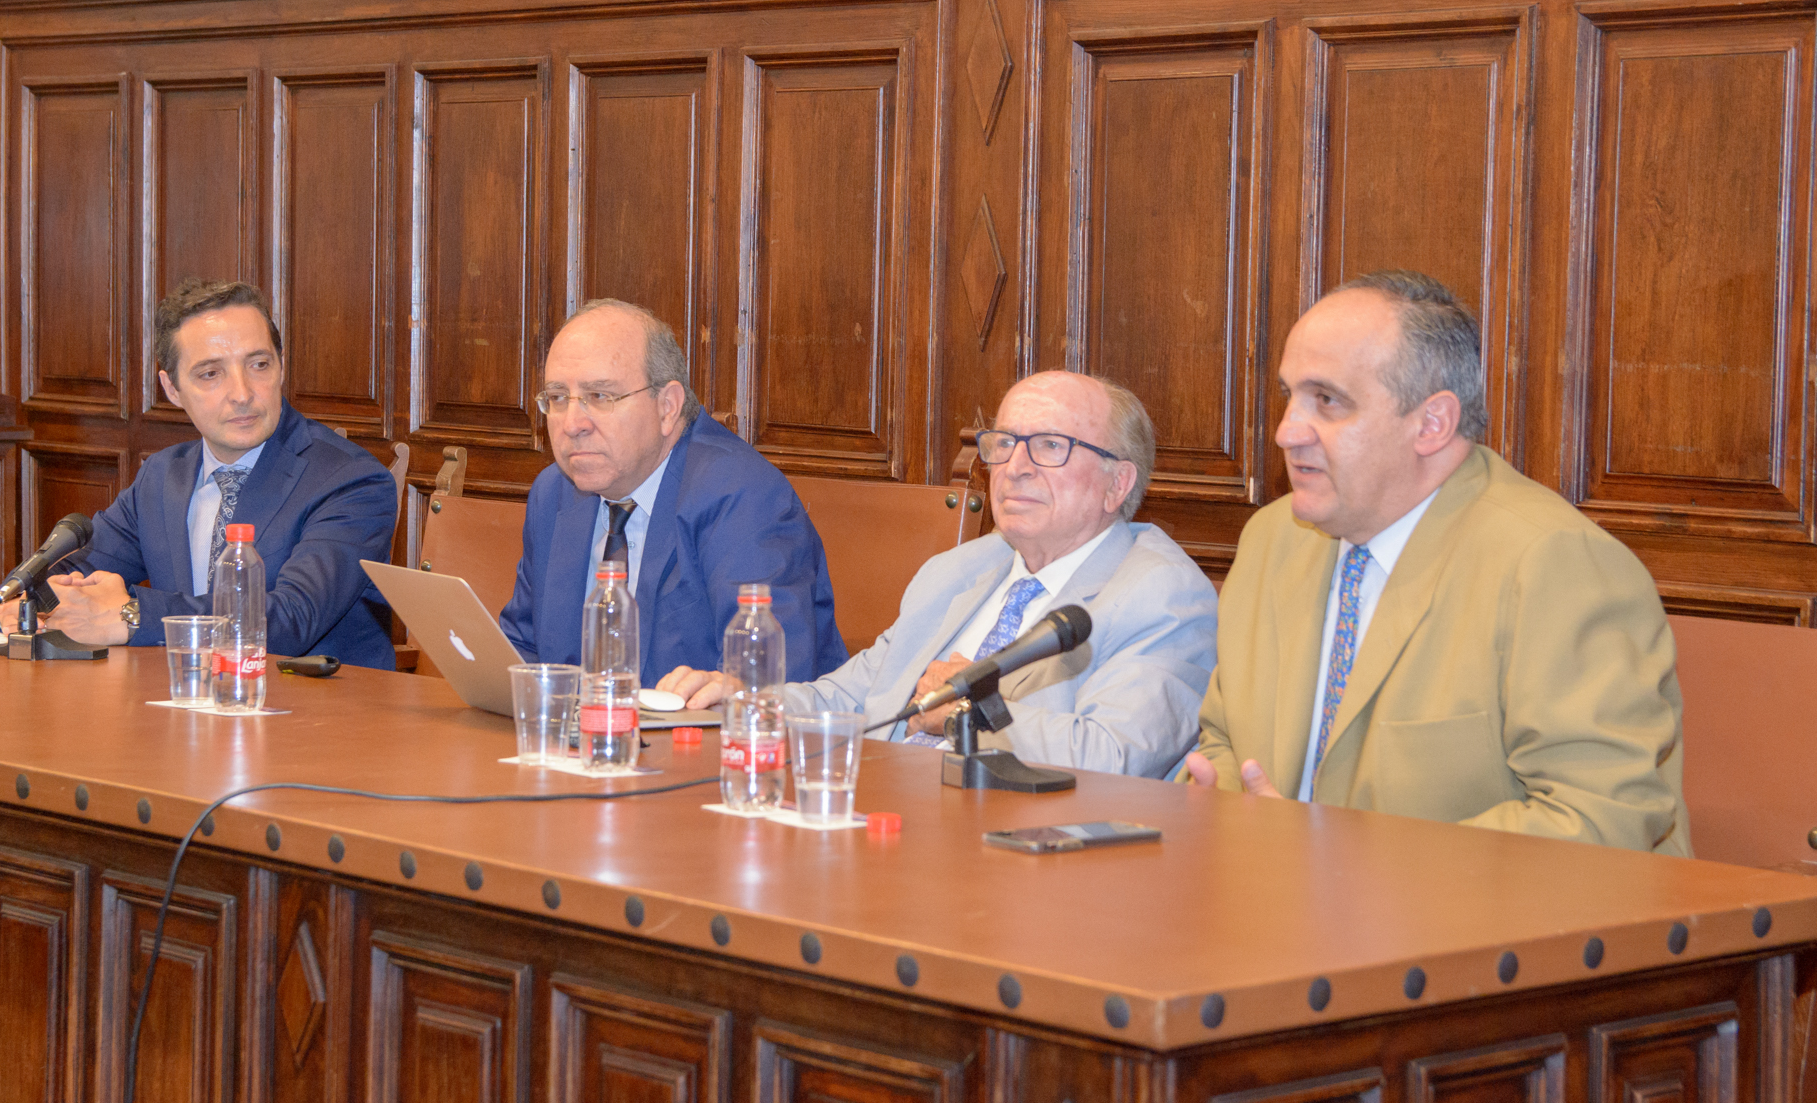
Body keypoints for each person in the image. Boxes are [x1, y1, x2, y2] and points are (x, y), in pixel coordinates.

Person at [1181, 270, 1690, 854]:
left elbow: (1600, 819)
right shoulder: (1274, 538)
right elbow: (1223, 740)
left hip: (1489, 933)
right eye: (1289, 396)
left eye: (1327, 400)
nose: (1286, 432)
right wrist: (1212, 802)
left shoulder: (1551, 563)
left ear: (1432, 423)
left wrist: (1342, 865)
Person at [659, 371, 1218, 778]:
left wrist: (972, 714)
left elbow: (1116, 758)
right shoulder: (958, 571)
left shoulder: (1162, 595)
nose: (1014, 468)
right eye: (1003, 445)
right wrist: (752, 705)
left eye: (1049, 446)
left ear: (1118, 484)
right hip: (877, 812)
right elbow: (853, 698)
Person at [0, 279, 399, 668]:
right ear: (171, 389)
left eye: (259, 364)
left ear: (281, 367)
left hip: (319, 717)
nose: (242, 392)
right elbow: (76, 573)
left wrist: (131, 615)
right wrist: (33, 605)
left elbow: (289, 620)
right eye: (211, 373)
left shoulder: (350, 481)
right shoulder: (163, 476)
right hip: (186, 707)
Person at [499, 299, 846, 681]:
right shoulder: (554, 494)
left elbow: (767, 679)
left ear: (667, 407)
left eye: (600, 397)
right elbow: (522, 648)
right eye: (558, 398)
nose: (573, 423)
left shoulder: (744, 497)